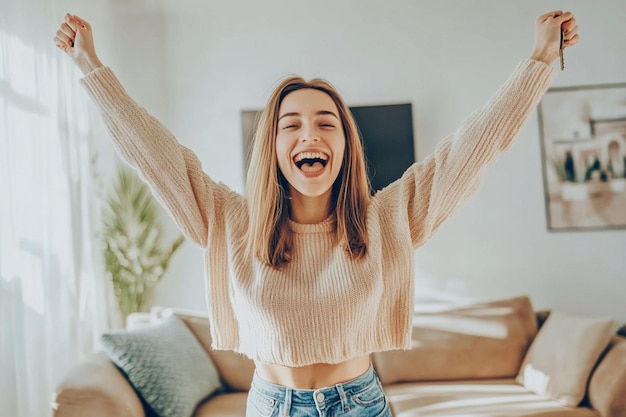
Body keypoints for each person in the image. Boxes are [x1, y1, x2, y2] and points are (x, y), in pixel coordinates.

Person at [54, 10, 578, 417]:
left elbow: (473, 149)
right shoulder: (227, 220)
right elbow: (153, 153)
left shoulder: (387, 219)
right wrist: (91, 68)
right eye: (292, 125)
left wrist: (538, 60)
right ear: (274, 147)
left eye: (327, 123)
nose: (310, 135)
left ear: (345, 145)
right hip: (269, 405)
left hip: (359, 404)